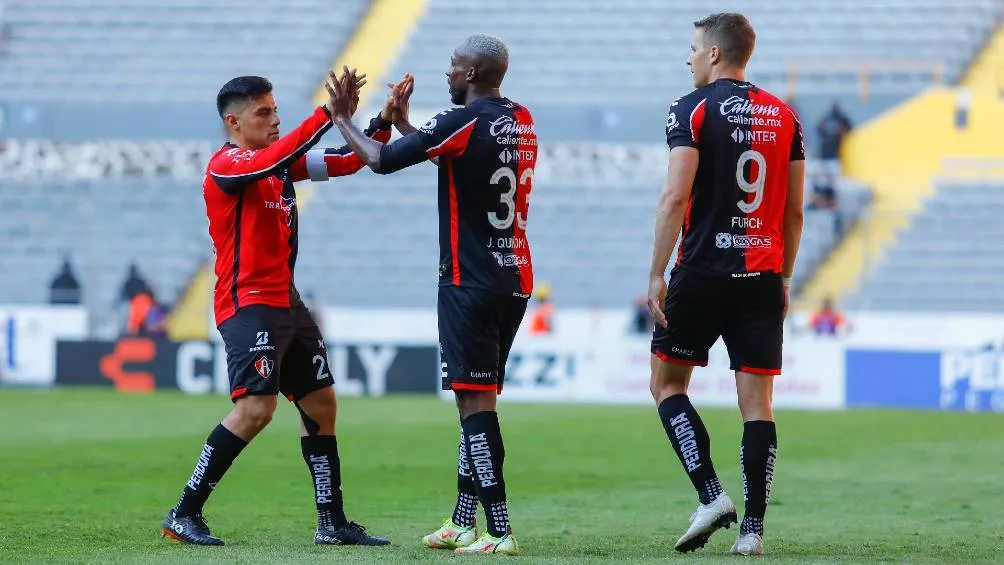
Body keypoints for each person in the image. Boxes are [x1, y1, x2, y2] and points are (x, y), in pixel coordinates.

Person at [160, 72, 398, 547]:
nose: (274, 120)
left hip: (287, 302)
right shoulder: (227, 166)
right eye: (263, 113)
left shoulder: (282, 166)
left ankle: (331, 523)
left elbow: (348, 161)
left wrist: (381, 123)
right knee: (255, 409)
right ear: (234, 122)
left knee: (321, 404)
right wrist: (328, 114)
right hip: (248, 305)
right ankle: (183, 513)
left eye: (275, 110)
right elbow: (273, 157)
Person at [327, 34, 535, 556]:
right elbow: (461, 159)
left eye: (454, 65)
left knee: (474, 404)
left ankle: (499, 530)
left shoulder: (458, 119)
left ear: (472, 74)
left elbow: (380, 160)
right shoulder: (520, 118)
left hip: (468, 280)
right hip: (513, 276)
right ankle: (463, 521)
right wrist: (405, 125)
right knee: (477, 397)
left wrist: (341, 118)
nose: (448, 72)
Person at [645, 13, 805, 556]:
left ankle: (711, 495)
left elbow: (675, 197)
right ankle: (753, 532)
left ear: (714, 54)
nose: (688, 57)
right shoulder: (786, 116)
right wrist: (785, 277)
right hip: (762, 275)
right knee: (758, 404)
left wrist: (656, 272)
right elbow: (794, 213)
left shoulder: (690, 108)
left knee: (668, 385)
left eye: (693, 47)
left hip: (702, 271)